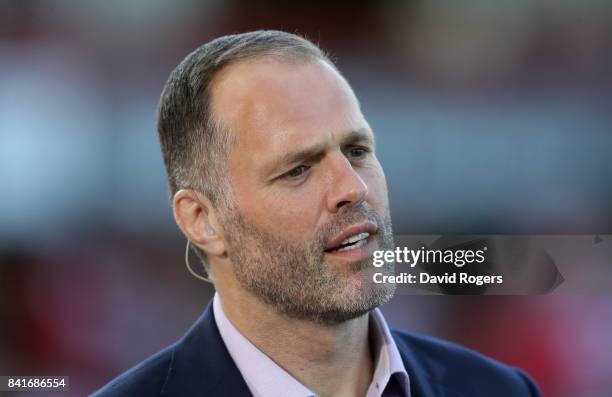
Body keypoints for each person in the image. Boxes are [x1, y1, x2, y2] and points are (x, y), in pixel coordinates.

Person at [92, 30, 541, 397]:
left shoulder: (499, 390)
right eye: (298, 169)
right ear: (202, 219)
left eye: (357, 150)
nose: (353, 187)